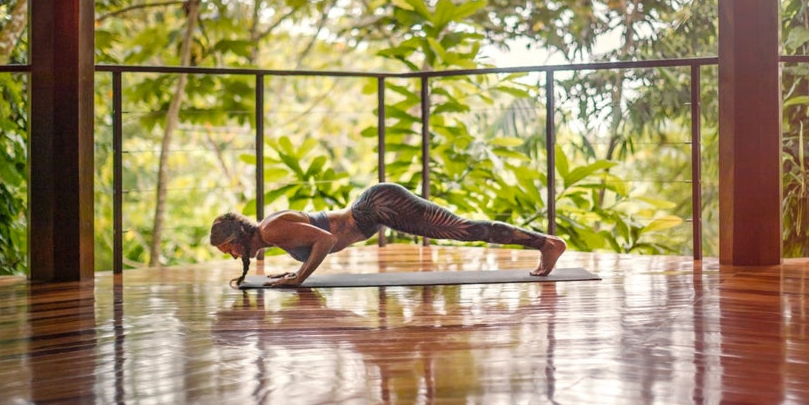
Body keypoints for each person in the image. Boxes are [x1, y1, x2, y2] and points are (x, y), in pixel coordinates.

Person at [210, 182, 566, 287]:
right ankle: (544, 243)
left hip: (378, 206)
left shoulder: (272, 229)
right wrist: (294, 274)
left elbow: (326, 239)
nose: (230, 255)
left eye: (227, 248)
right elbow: (315, 237)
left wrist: (299, 278)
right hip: (373, 212)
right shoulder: (272, 234)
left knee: (462, 229)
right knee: (462, 229)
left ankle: (546, 243)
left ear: (238, 237)